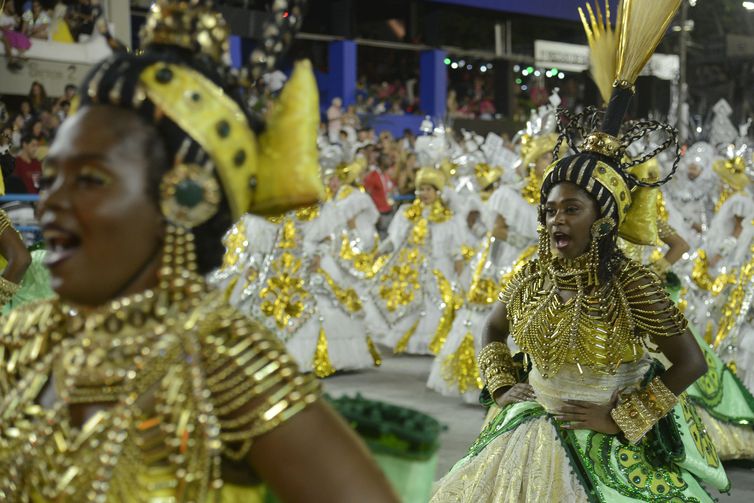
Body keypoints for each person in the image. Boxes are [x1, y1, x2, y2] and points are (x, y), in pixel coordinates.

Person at [0, 1, 399, 500]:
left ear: (182, 196)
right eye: (52, 178)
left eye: (90, 179)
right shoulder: (22, 341)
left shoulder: (224, 366)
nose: (50, 204)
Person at [431, 1, 729, 499]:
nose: (555, 220)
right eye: (549, 210)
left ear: (603, 219)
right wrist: (504, 386)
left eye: (571, 209)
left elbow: (690, 362)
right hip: (525, 431)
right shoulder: (533, 274)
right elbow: (490, 326)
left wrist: (621, 418)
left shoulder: (632, 283)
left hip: (605, 444)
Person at [369, 168, 467, 355]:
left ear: (438, 192)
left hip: (439, 269)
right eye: (421, 189)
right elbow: (394, 240)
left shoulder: (449, 219)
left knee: (436, 304)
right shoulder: (407, 214)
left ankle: (434, 342)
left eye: (429, 189)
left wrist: (461, 279)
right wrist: (379, 251)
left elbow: (457, 252)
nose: (424, 194)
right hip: (412, 268)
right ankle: (408, 341)